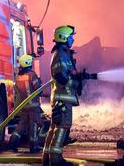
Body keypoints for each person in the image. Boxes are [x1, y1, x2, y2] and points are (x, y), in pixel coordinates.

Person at [43, 25, 89, 166]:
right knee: (62, 127)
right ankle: (56, 160)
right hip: (63, 97)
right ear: (63, 37)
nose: (72, 39)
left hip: (62, 97)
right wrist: (75, 81)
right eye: (70, 37)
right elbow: (59, 76)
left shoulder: (63, 53)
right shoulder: (61, 54)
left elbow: (66, 74)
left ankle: (47, 158)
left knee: (54, 128)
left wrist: (78, 76)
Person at [9, 53, 42, 154]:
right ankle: (34, 146)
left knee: (21, 126)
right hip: (34, 107)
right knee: (34, 126)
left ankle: (13, 142)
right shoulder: (32, 75)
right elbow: (38, 89)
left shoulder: (18, 77)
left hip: (24, 107)